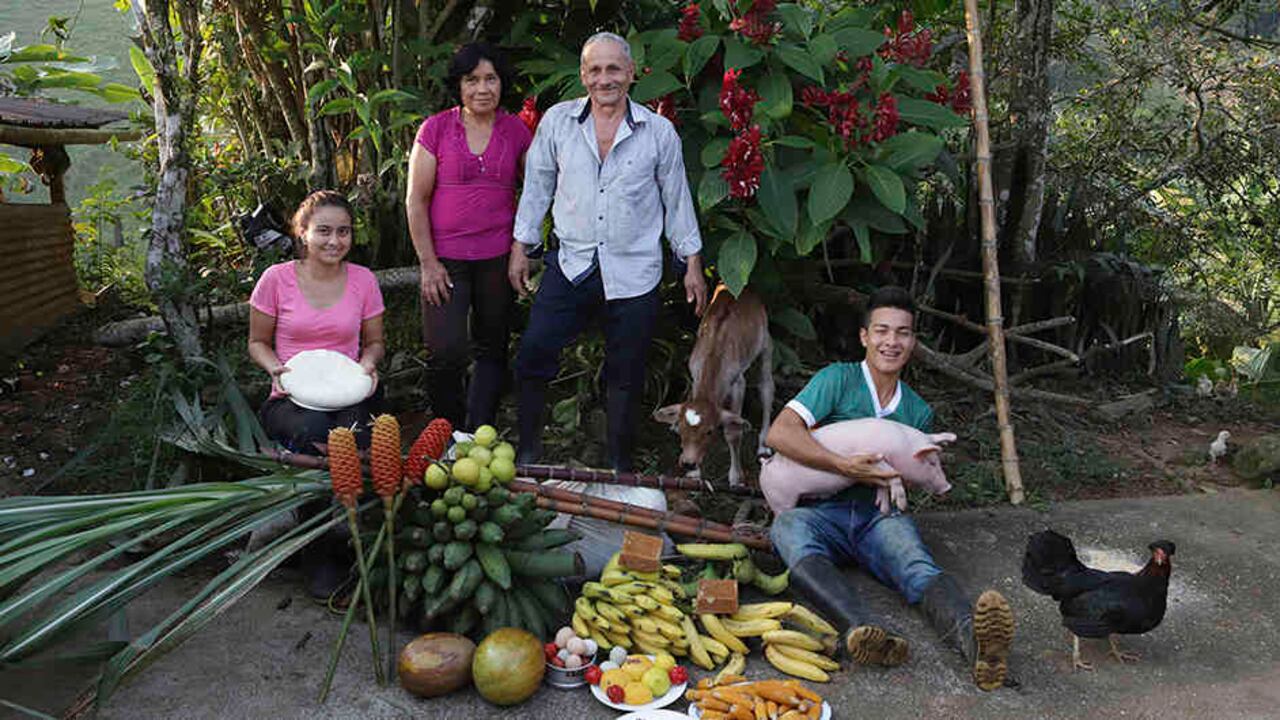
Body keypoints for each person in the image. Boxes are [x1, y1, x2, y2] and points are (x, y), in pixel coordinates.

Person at [764, 286, 1015, 690]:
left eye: (903, 333)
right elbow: (780, 433)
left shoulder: (916, 410)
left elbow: (915, 474)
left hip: (876, 518)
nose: (891, 342)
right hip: (818, 514)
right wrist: (842, 465)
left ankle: (977, 642)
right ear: (865, 336)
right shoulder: (837, 380)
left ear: (913, 342)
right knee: (787, 530)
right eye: (882, 331)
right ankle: (864, 631)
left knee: (915, 564)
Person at [509, 31, 707, 472]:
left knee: (626, 371)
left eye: (614, 69)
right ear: (583, 75)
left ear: (632, 74)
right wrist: (521, 247)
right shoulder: (558, 122)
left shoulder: (659, 132)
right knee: (533, 354)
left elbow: (677, 201)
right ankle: (527, 454)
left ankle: (621, 464)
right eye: (595, 70)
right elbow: (537, 189)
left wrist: (692, 262)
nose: (604, 79)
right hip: (572, 263)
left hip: (635, 270)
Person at [247, 190, 385, 598]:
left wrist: (369, 364)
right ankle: (318, 552)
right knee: (314, 433)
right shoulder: (276, 280)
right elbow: (257, 341)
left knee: (354, 439)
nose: (334, 241)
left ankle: (355, 541)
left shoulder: (364, 280)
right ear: (302, 233)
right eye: (323, 231)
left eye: (343, 232)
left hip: (350, 391)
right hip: (290, 397)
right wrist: (275, 369)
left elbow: (375, 342)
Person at [407, 43, 532, 429]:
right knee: (445, 351)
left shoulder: (516, 131)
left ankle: (477, 436)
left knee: (492, 347)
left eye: (490, 79)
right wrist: (428, 263)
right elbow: (416, 199)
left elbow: (534, 193)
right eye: (472, 80)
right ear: (458, 86)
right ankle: (445, 434)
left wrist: (520, 250)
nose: (482, 88)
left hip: (497, 257)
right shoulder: (436, 129)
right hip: (445, 260)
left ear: (501, 83)